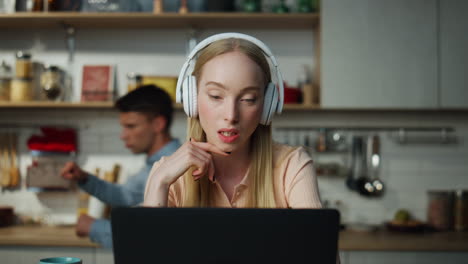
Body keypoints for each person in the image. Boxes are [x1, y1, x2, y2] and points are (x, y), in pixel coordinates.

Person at [143, 33, 322, 209]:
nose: (231, 115)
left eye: (248, 99)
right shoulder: (165, 172)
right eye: (216, 96)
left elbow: (315, 238)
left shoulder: (292, 165)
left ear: (267, 105)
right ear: (193, 99)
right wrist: (159, 182)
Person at [61, 85, 181, 248]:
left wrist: (94, 227)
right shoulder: (157, 163)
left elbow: (154, 237)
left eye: (131, 126)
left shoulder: (176, 166)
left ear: (158, 124)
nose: (123, 135)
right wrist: (84, 178)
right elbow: (127, 196)